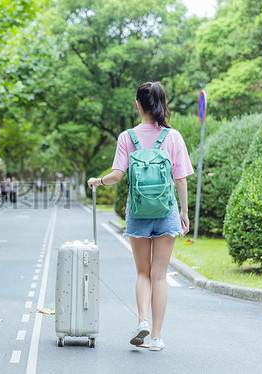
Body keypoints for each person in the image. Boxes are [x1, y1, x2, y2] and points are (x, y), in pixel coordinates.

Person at [88, 81, 193, 352]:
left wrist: (97, 181)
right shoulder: (173, 137)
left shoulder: (127, 137)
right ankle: (157, 337)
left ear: (138, 105)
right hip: (166, 211)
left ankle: (142, 320)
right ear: (162, 104)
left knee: (143, 273)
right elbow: (180, 179)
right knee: (160, 275)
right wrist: (183, 213)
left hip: (137, 211)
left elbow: (117, 176)